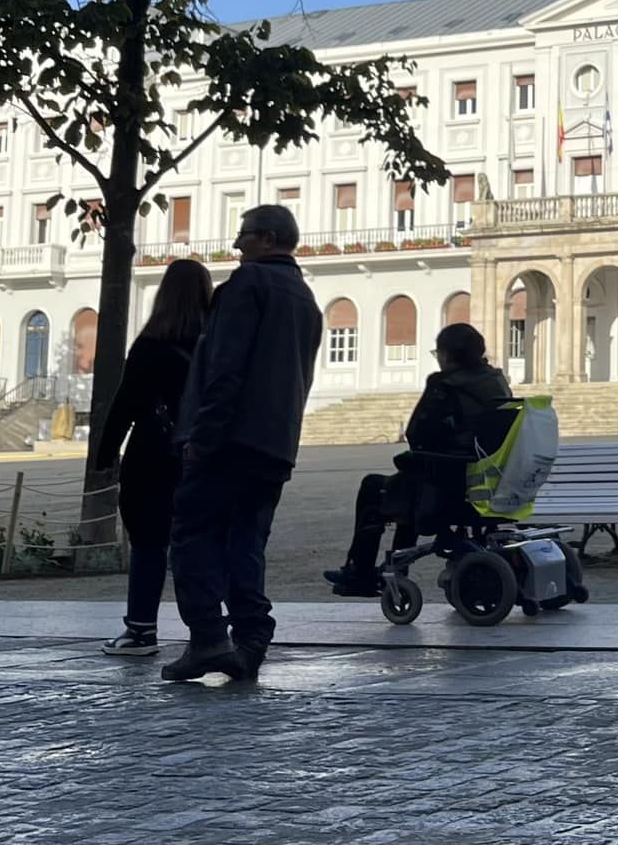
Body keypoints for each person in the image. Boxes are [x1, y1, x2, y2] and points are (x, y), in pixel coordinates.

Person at [162, 204, 323, 683]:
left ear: (268, 239)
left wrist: (202, 436)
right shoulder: (306, 299)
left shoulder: (247, 287)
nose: (237, 245)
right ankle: (251, 641)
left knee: (191, 535)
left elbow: (225, 368)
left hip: (229, 438)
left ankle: (208, 636)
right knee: (247, 543)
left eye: (245, 235)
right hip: (274, 442)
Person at [322, 322, 513, 595]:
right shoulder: (497, 383)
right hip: (487, 481)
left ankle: (361, 571)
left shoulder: (445, 385)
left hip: (449, 484)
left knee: (375, 487)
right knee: (408, 481)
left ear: (448, 355)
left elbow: (417, 432)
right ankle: (394, 570)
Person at [91, 258, 213, 655]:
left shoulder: (148, 346)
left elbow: (125, 404)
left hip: (149, 456)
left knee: (147, 544)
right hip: (199, 458)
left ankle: (141, 629)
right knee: (195, 546)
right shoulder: (211, 345)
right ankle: (209, 631)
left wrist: (106, 454)